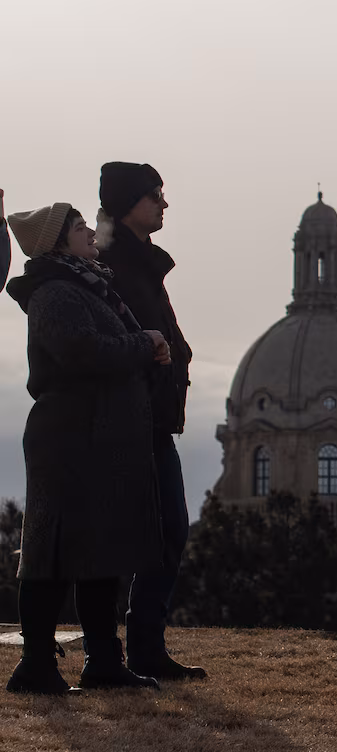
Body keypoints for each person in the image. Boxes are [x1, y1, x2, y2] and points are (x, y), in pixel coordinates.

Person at [5, 203, 168, 694]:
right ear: (57, 242)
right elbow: (83, 353)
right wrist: (145, 344)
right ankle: (36, 666)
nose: (91, 233)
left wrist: (148, 346)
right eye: (79, 228)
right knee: (53, 554)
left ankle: (103, 663)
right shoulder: (55, 291)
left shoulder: (86, 285)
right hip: (71, 440)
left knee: (101, 552)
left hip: (96, 439)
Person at [95, 162, 205, 680]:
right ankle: (110, 655)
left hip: (156, 422)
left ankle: (145, 646)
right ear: (127, 204)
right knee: (121, 537)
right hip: (127, 421)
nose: (164, 204)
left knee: (169, 531)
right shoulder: (110, 266)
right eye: (154, 196)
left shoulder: (142, 264)